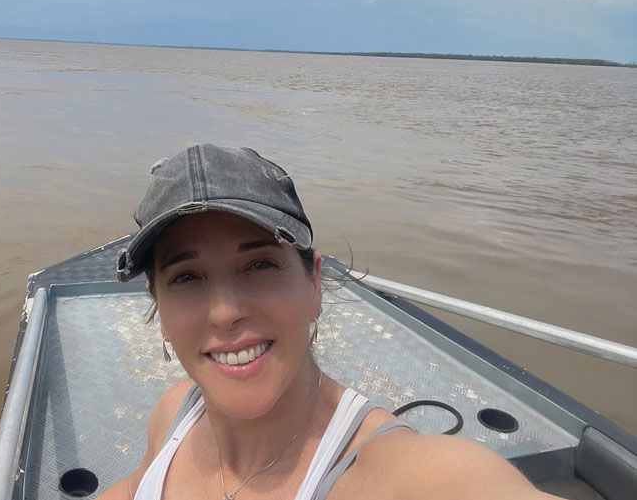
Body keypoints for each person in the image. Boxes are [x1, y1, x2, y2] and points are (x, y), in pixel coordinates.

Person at [99, 144, 559, 500]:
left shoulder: (403, 474)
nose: (225, 311)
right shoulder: (176, 413)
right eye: (186, 276)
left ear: (313, 281)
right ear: (158, 307)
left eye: (259, 265)